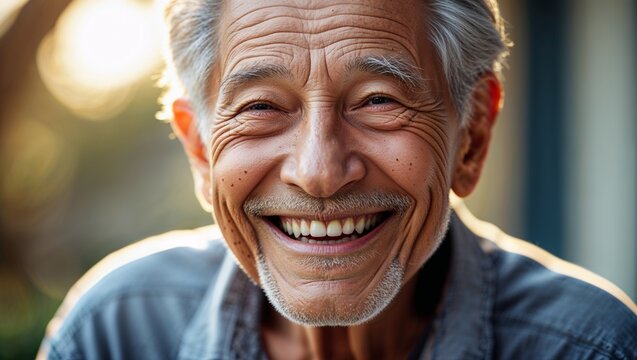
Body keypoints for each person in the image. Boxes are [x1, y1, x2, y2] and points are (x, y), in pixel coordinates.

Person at [39, 0, 637, 359]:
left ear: (472, 135)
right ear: (199, 147)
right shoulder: (118, 331)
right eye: (262, 107)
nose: (319, 172)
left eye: (378, 100)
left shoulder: (588, 347)